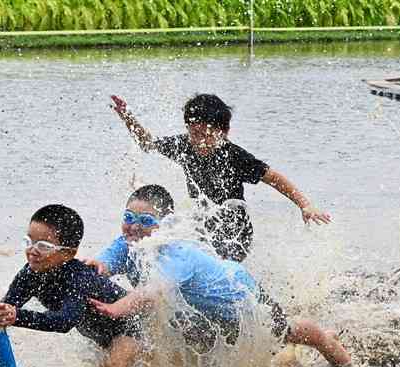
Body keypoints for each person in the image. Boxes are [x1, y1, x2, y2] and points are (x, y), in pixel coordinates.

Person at [85, 185, 351, 367]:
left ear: (165, 225)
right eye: (129, 216)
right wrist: (91, 265)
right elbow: (104, 263)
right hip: (203, 312)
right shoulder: (127, 243)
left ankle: (331, 348)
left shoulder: (176, 254)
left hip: (239, 296)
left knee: (283, 332)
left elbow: (153, 293)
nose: (134, 226)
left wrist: (117, 307)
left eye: (145, 221)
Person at [110, 93, 331, 262]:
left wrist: (305, 205)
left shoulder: (234, 155)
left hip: (235, 231)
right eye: (193, 133)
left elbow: (274, 178)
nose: (198, 141)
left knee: (216, 268)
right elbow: (147, 143)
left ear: (223, 132)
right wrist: (127, 117)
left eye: (204, 135)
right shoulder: (184, 146)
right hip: (203, 223)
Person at [0, 204, 146, 367]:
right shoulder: (29, 274)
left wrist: (16, 316)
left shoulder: (78, 277)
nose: (32, 251)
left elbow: (64, 322)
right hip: (103, 335)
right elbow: (9, 306)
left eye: (43, 246)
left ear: (68, 253)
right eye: (29, 241)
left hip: (132, 326)